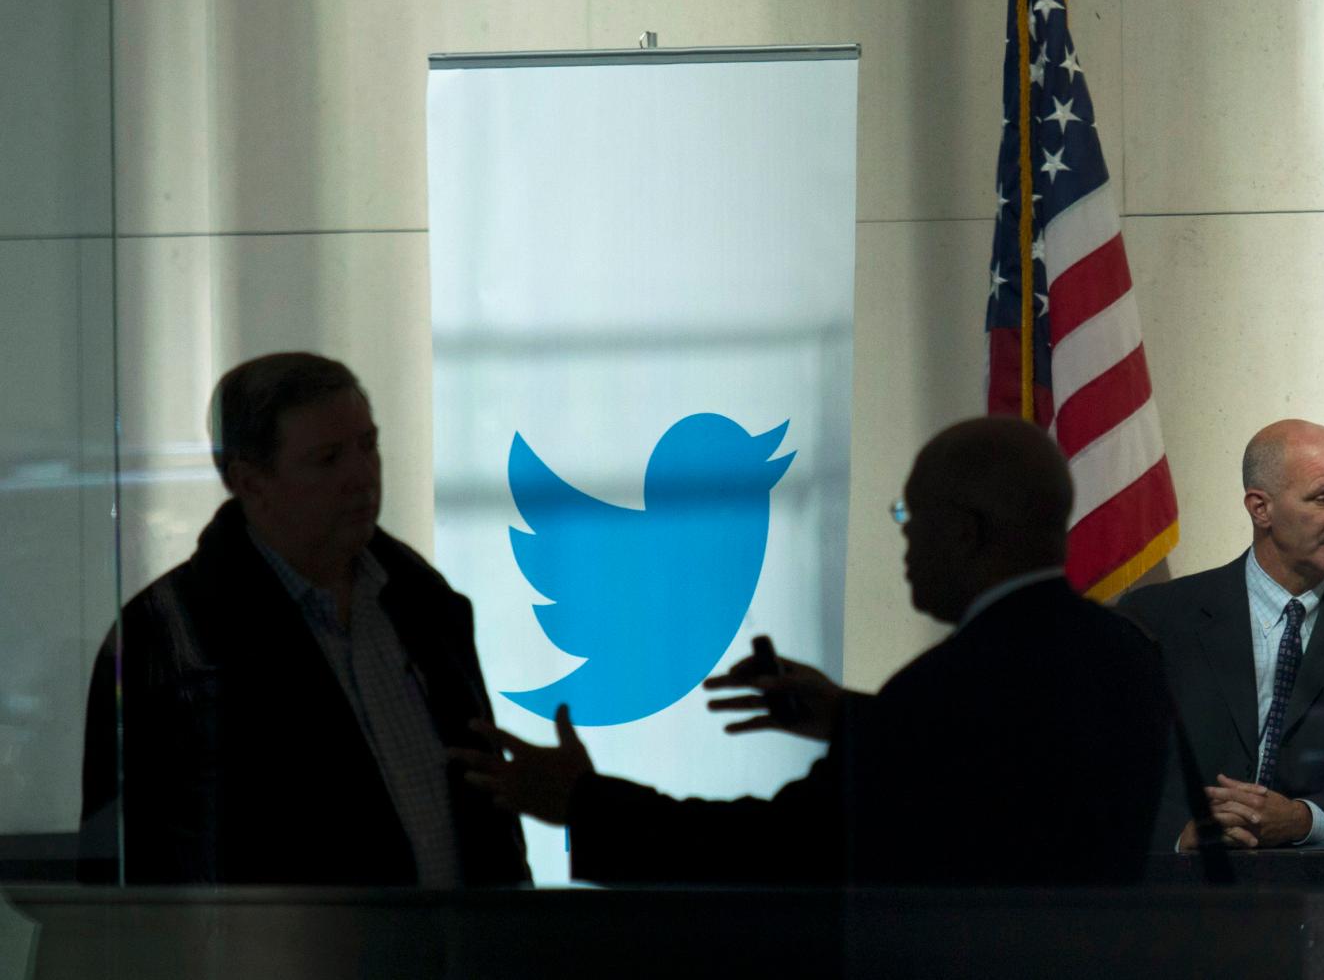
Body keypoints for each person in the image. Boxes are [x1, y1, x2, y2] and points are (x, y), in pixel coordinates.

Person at [452, 416, 1174, 886]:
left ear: (964, 532)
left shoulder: (939, 694)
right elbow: (997, 771)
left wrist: (586, 803)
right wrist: (851, 719)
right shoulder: (1130, 657)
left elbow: (777, 851)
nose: (903, 536)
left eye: (910, 514)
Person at [79, 352, 530, 886]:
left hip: (460, 938)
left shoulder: (424, 602)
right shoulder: (166, 638)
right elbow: (140, 870)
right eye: (328, 458)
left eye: (368, 445)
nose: (362, 476)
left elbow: (489, 822)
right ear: (250, 482)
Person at [1120, 419, 1324, 851]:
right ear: (1260, 508)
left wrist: (1304, 820)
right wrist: (1181, 838)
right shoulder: (1156, 618)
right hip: (1181, 884)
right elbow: (1108, 769)